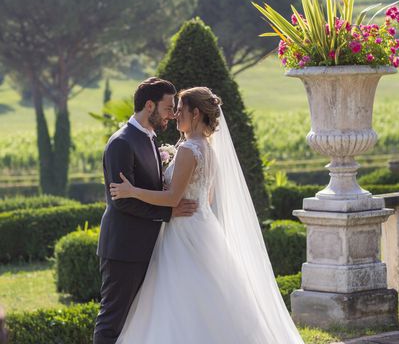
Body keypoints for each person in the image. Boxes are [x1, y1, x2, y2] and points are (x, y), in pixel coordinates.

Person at [109, 87, 304, 343]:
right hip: (202, 227)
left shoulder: (190, 149)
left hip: (184, 233)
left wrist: (132, 191)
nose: (176, 115)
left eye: (180, 110)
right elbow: (207, 198)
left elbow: (173, 199)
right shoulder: (207, 149)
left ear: (196, 113)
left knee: (180, 299)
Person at [94, 78, 199, 344]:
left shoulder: (150, 138)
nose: (172, 114)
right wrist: (169, 213)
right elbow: (122, 200)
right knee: (112, 321)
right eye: (167, 107)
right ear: (149, 105)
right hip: (124, 248)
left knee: (138, 322)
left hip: (148, 246)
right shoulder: (121, 142)